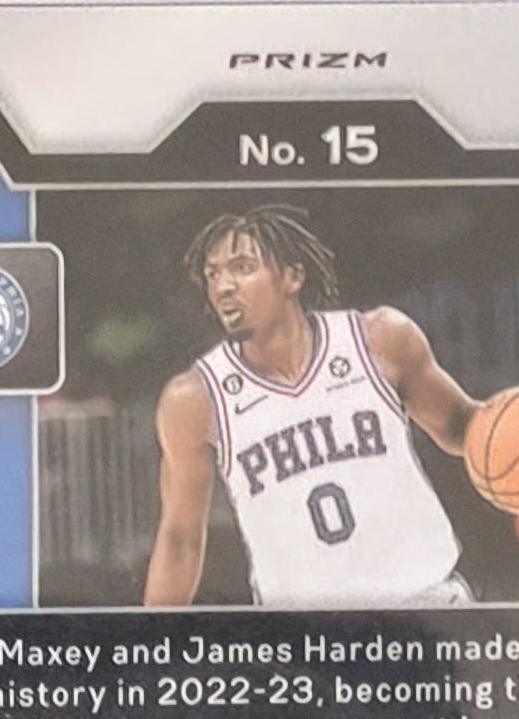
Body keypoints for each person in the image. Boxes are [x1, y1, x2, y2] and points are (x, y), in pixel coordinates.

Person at [144, 208, 480, 607]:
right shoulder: (195, 399)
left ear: (292, 277)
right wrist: (151, 635)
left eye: (242, 267)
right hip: (305, 630)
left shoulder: (378, 340)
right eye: (213, 274)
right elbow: (180, 539)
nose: (224, 286)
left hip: (424, 605)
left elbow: (464, 429)